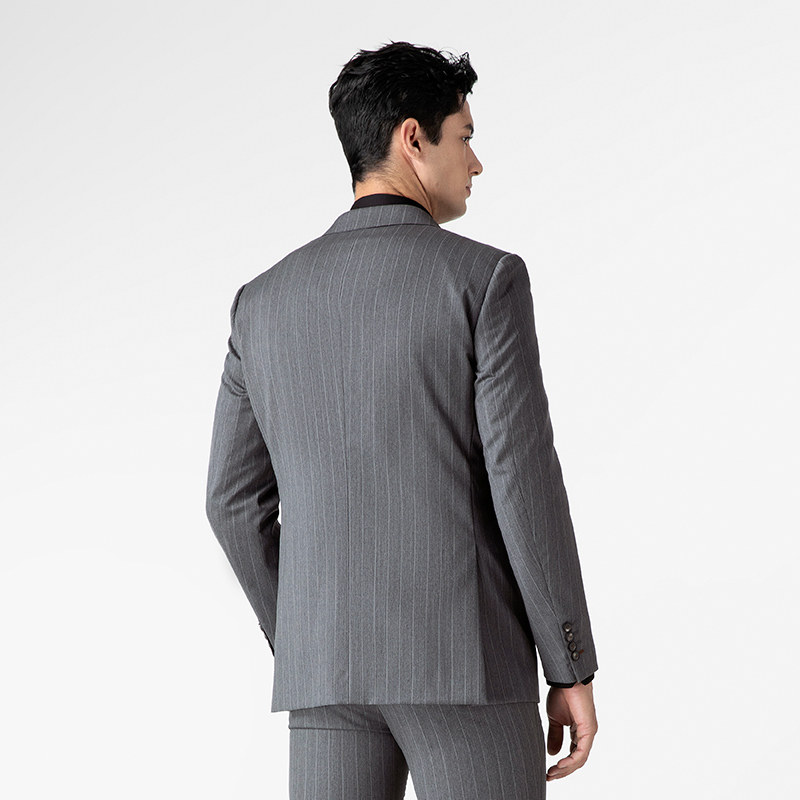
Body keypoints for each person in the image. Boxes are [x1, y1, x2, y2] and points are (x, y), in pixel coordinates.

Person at [206, 40, 599, 799]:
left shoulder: (261, 301)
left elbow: (229, 502)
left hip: (325, 674)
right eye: (465, 137)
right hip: (466, 667)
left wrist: (306, 639)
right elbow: (523, 484)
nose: (476, 162)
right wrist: (569, 665)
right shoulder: (484, 280)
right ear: (412, 138)